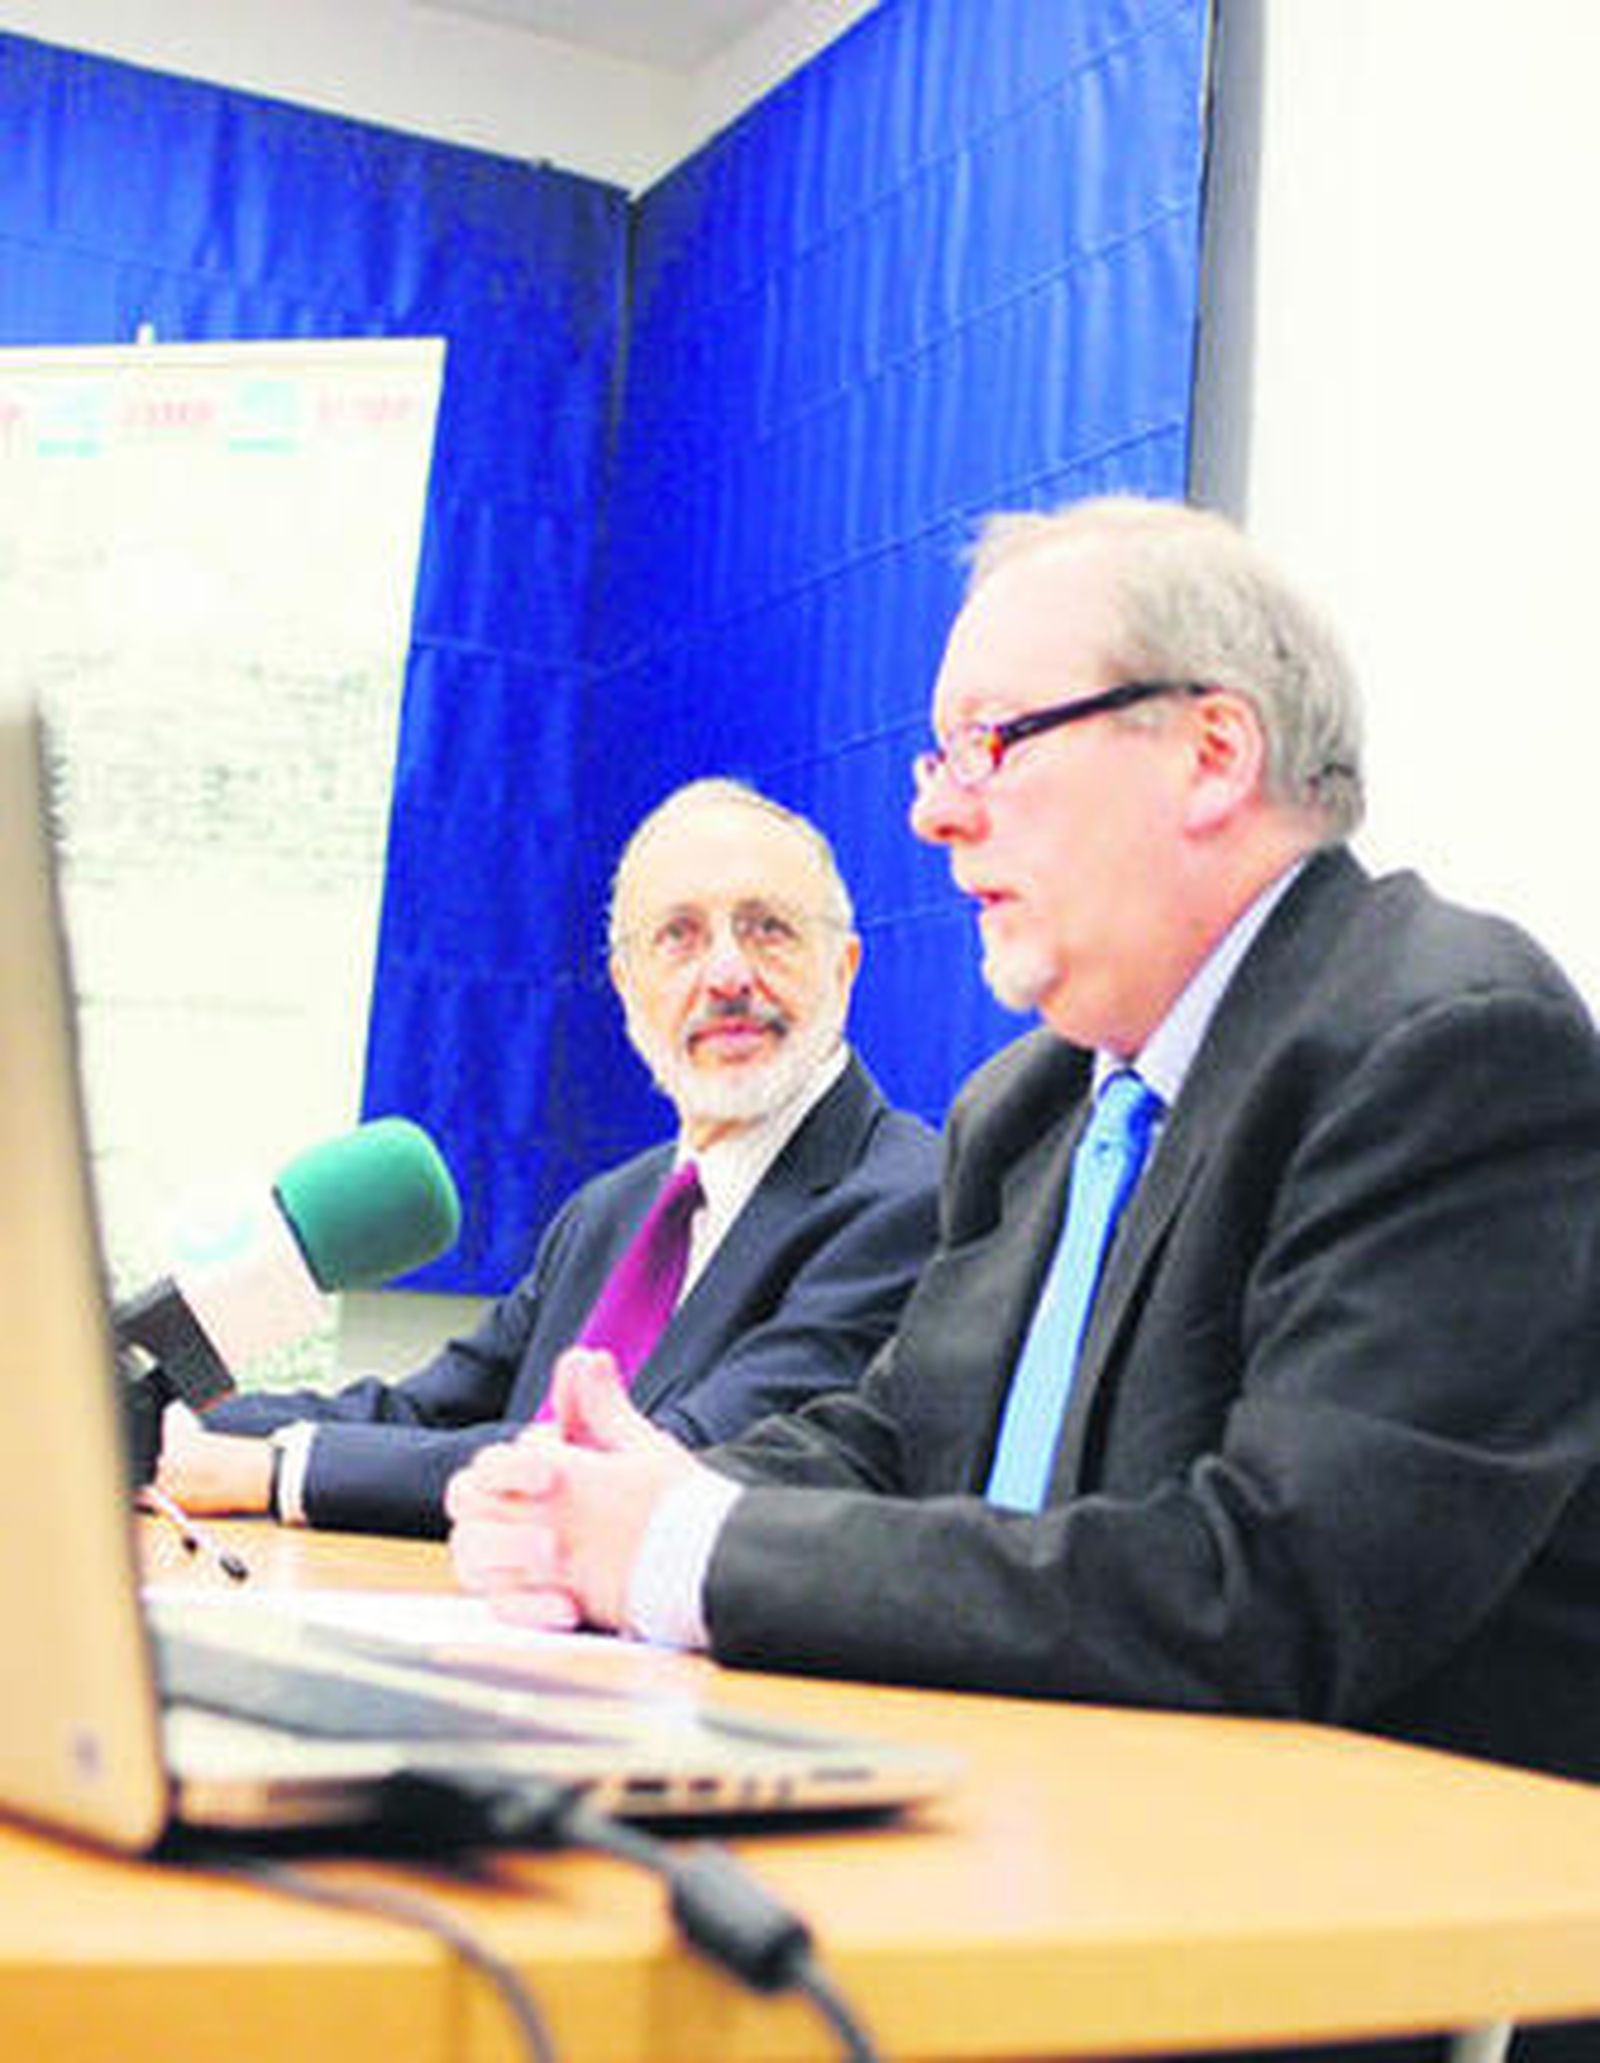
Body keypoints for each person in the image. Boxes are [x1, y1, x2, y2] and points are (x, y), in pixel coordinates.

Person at [446, 498, 1600, 2063]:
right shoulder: (1041, 1100)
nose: (935, 815)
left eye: (990, 741)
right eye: (936, 758)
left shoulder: (1447, 1046)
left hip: (1305, 1968)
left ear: (1210, 752)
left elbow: (1264, 1591)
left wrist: (687, 1553)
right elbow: (898, 1431)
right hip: (1015, 1881)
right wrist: (613, 1491)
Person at [156, 778, 940, 1537]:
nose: (727, 975)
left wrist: (276, 1470)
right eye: (680, 935)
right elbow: (422, 1412)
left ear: (844, 968)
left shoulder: (909, 1201)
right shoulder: (607, 1213)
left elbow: (652, 1464)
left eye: (768, 927)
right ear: (626, 985)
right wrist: (162, 1424)